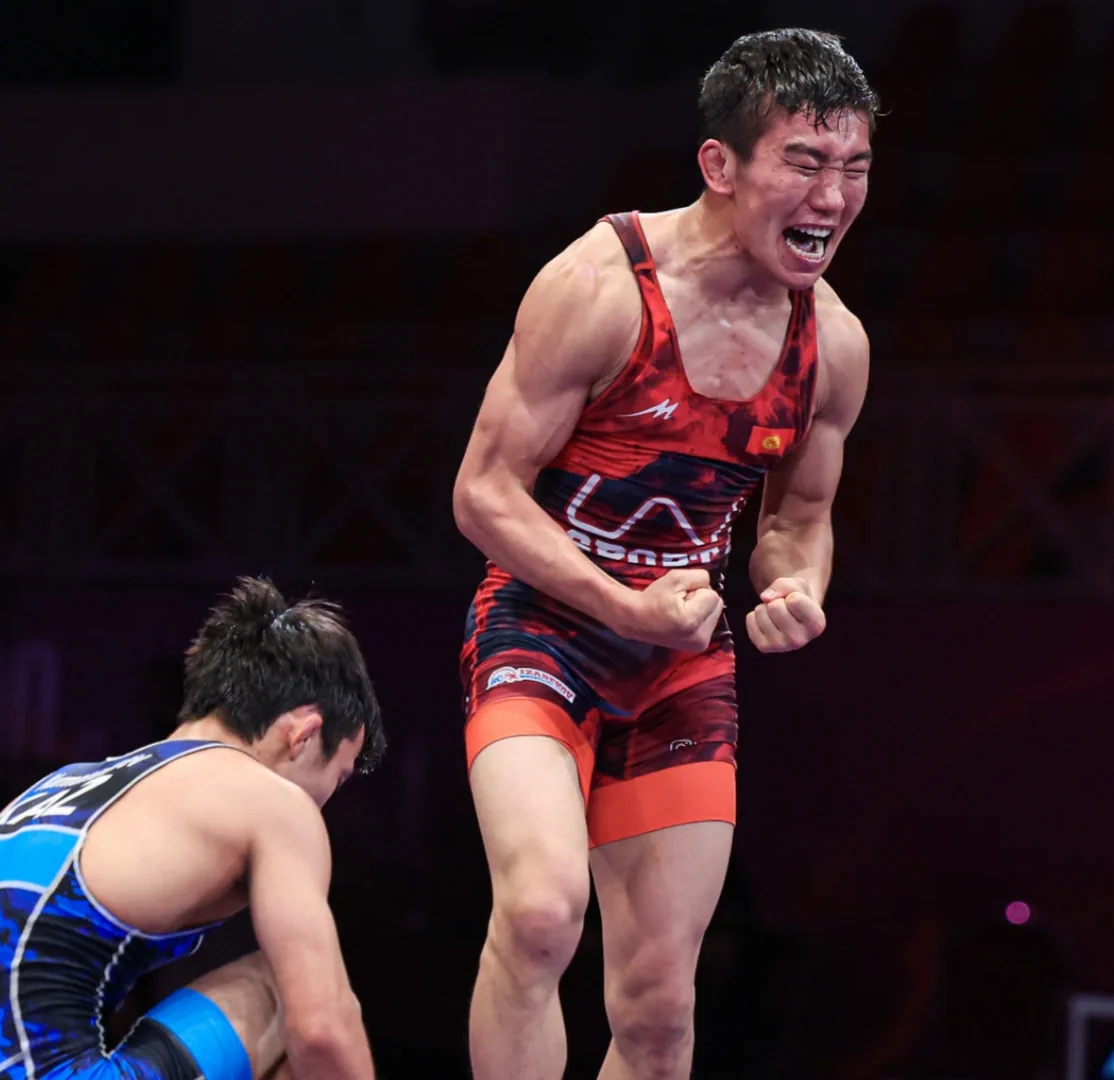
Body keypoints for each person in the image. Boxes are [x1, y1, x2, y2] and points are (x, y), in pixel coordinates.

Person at [450, 27, 877, 1080]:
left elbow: (798, 519)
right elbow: (482, 494)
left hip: (683, 668)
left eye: (856, 167)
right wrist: (625, 607)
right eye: (807, 164)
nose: (833, 197)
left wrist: (795, 589)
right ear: (721, 166)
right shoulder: (599, 288)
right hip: (540, 634)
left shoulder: (835, 346)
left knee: (658, 1011)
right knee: (544, 913)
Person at [0, 577, 387, 1080]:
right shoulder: (274, 802)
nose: (325, 803)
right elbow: (321, 1029)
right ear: (303, 734)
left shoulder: (65, 784)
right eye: (339, 777)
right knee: (288, 989)